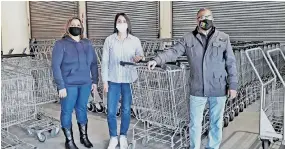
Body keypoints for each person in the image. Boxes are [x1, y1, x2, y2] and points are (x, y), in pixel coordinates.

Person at [148, 8, 238, 149]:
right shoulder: (188, 38)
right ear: (197, 20)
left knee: (216, 122)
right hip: (197, 88)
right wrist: (157, 59)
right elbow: (173, 51)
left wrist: (233, 85)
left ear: (212, 18)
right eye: (201, 17)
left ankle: (212, 147)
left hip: (218, 88)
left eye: (208, 16)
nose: (205, 19)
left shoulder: (223, 38)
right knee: (195, 124)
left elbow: (231, 63)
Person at [52, 17, 98, 149]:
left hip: (85, 84)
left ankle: (84, 137)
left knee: (82, 109)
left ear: (82, 27)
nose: (76, 27)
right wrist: (61, 86)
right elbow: (55, 66)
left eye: (78, 25)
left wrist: (94, 81)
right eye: (73, 25)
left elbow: (94, 64)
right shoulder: (61, 44)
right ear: (68, 27)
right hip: (68, 85)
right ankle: (69, 141)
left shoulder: (87, 44)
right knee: (66, 111)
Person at [101, 13, 144, 149]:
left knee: (126, 109)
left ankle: (123, 135)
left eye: (124, 21)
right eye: (119, 21)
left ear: (127, 23)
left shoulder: (135, 40)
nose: (121, 23)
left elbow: (141, 55)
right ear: (115, 24)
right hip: (113, 80)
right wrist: (105, 81)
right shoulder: (109, 40)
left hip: (128, 80)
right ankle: (113, 137)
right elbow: (105, 62)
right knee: (111, 111)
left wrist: (139, 58)